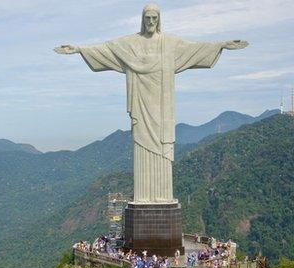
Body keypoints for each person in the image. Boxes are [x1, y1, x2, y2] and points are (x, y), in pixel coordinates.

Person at [54, 4, 248, 204]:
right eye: (147, 18)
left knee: (162, 150)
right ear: (142, 19)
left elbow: (195, 48)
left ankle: (162, 197)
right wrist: (79, 49)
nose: (151, 22)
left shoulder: (170, 44)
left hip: (162, 109)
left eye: (154, 18)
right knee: (142, 147)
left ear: (159, 19)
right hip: (141, 104)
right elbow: (107, 49)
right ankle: (144, 197)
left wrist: (221, 45)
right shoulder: (131, 44)